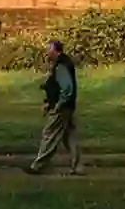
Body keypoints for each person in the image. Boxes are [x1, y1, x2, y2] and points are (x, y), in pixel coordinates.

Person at [24, 40, 82, 175]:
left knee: (49, 134)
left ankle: (38, 165)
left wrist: (58, 105)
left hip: (62, 107)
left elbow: (67, 88)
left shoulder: (61, 65)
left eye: (48, 49)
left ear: (55, 50)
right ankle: (78, 166)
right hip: (67, 106)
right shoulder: (62, 63)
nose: (46, 52)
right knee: (69, 137)